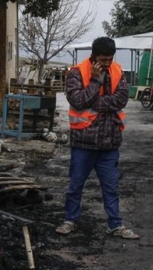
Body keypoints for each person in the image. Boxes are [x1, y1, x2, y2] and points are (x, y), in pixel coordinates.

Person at [55, 36, 139, 239]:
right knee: (75, 186)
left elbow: (121, 100)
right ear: (93, 56)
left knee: (111, 188)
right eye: (103, 60)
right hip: (84, 142)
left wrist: (94, 102)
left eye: (109, 59)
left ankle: (115, 225)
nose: (107, 63)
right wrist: (94, 81)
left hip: (109, 143)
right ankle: (70, 220)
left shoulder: (118, 71)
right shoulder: (77, 72)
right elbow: (77, 101)